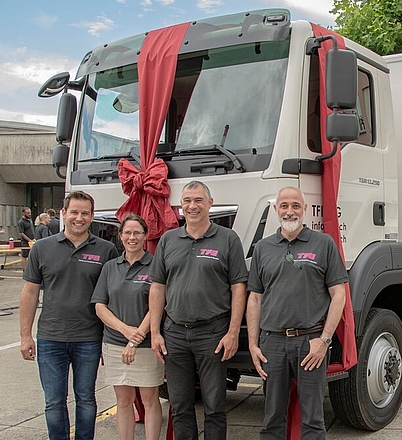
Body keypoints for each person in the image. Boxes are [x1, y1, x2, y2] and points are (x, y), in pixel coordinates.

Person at [246, 187, 348, 439]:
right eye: (283, 205)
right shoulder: (262, 248)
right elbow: (255, 299)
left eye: (294, 205)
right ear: (275, 210)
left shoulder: (323, 244)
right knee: (271, 419)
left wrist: (324, 341)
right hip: (273, 344)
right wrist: (252, 344)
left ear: (304, 209)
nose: (289, 211)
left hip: (310, 343)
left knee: (313, 420)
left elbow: (339, 295)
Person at [149, 180, 248, 440]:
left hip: (213, 334)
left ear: (210, 203)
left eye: (198, 200)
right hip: (175, 334)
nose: (192, 206)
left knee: (215, 406)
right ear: (181, 206)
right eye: (187, 201)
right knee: (180, 406)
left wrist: (233, 332)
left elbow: (238, 287)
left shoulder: (227, 239)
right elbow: (157, 287)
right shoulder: (169, 240)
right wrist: (155, 333)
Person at [19, 191, 119, 440]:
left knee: (86, 399)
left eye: (85, 213)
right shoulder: (42, 248)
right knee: (54, 402)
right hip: (51, 338)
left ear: (92, 216)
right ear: (64, 213)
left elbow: (116, 293)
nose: (79, 218)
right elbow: (30, 293)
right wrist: (25, 336)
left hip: (89, 338)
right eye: (74, 212)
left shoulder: (106, 250)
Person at [91, 213, 164, 440]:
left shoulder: (155, 265)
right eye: (128, 233)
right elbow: (100, 306)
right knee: (123, 402)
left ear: (145, 236)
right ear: (120, 236)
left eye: (137, 233)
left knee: (150, 400)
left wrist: (136, 337)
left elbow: (157, 306)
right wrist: (125, 330)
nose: (132, 237)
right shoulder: (110, 267)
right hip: (114, 345)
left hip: (145, 346)